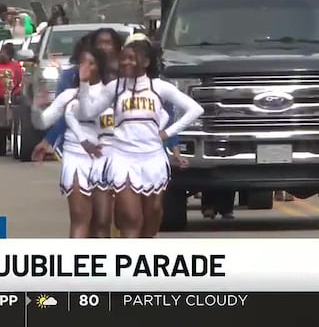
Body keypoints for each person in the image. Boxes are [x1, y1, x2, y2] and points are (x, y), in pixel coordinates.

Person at [74, 39, 204, 238]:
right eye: (123, 59)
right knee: (130, 217)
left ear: (145, 62)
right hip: (122, 158)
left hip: (152, 158)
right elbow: (87, 112)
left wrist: (167, 133)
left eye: (131, 59)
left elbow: (195, 109)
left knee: (152, 214)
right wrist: (83, 83)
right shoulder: (114, 88)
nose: (125, 63)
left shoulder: (159, 87)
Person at [31, 46, 116, 238]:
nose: (85, 67)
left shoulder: (110, 95)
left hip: (105, 159)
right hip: (75, 156)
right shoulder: (68, 95)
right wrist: (37, 104)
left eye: (91, 63)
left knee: (102, 223)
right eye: (82, 63)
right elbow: (44, 121)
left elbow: (89, 112)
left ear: (100, 67)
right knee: (79, 218)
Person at [32, 28, 123, 161]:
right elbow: (64, 114)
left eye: (108, 43)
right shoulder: (71, 76)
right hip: (78, 149)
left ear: (117, 48)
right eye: (100, 43)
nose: (104, 47)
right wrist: (48, 141)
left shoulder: (125, 77)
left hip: (117, 148)